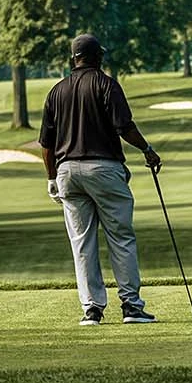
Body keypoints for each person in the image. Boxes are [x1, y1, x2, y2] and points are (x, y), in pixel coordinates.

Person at [40, 33, 163, 325]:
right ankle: (131, 307)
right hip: (104, 169)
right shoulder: (106, 84)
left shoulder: (56, 92)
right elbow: (125, 127)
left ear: (74, 59)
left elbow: (46, 145)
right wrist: (147, 150)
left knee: (82, 244)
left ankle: (92, 309)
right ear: (97, 57)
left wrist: (51, 178)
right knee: (121, 237)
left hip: (67, 171)